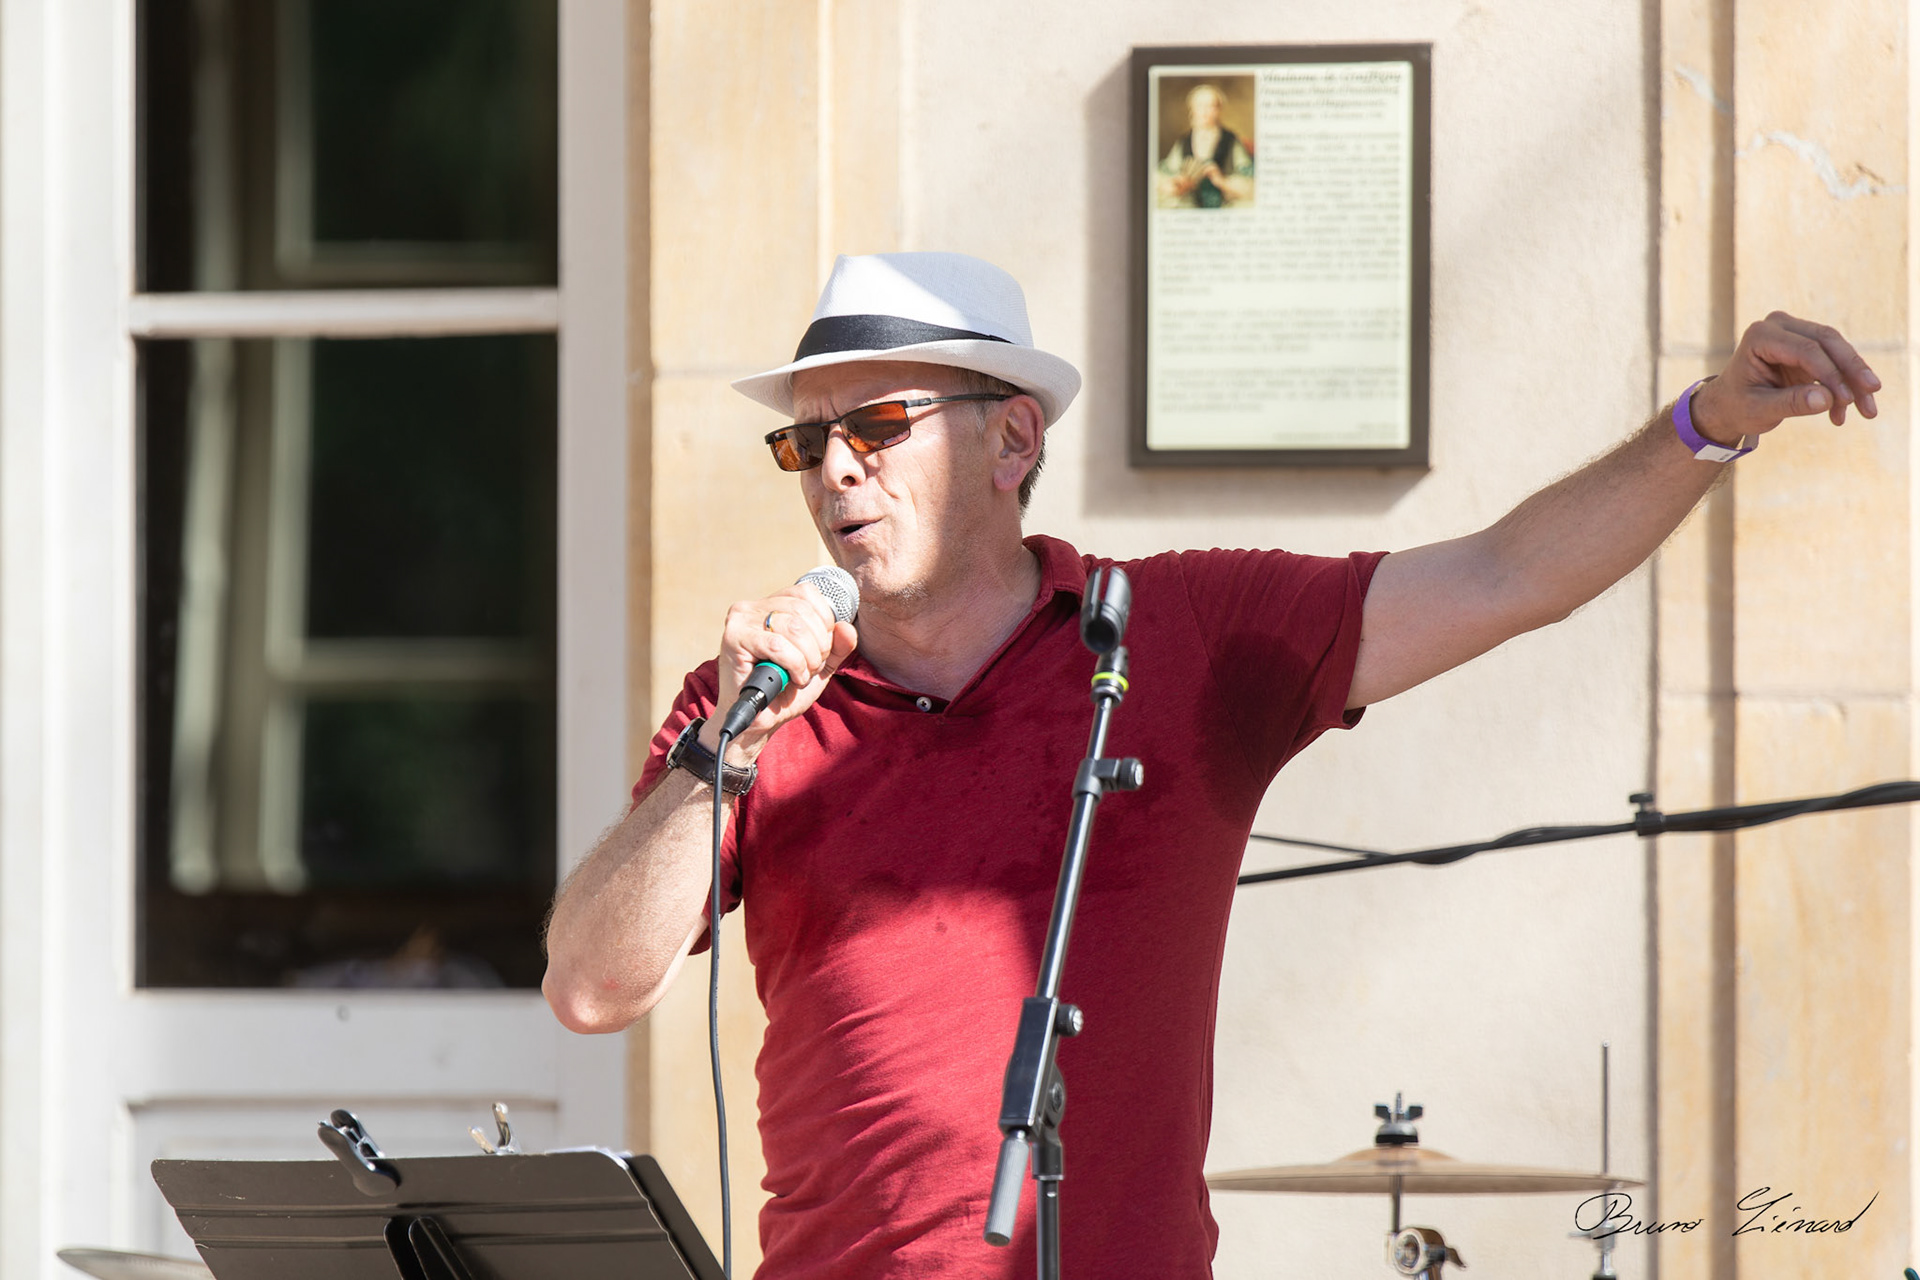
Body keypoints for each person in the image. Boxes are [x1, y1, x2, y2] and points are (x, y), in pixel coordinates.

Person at [542, 252, 1879, 1279]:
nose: (835, 469)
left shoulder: (1175, 633)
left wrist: (1707, 424)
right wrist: (730, 745)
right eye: (806, 441)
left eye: (878, 423)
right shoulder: (753, 705)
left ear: (1013, 443)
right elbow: (592, 985)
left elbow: (1507, 576)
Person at [1156, 83, 1254, 208]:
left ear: (1219, 110)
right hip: (1189, 203)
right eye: (1200, 106)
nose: (1205, 112)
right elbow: (1167, 172)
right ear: (1192, 109)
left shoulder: (1231, 140)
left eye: (1211, 107)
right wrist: (1179, 182)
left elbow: (1247, 175)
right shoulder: (1183, 142)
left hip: (1225, 203)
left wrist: (1222, 181)